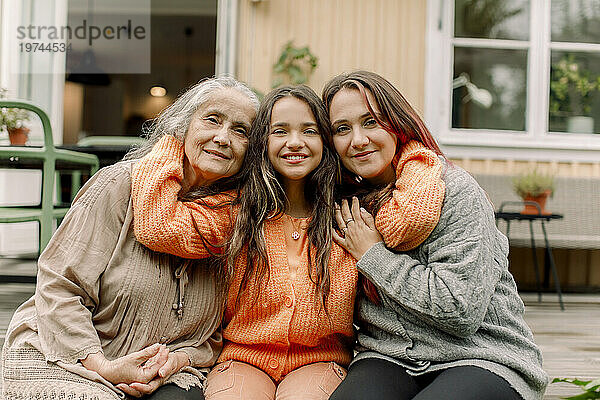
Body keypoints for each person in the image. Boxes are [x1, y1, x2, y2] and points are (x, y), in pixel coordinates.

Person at [130, 84, 445, 400]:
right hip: (242, 359)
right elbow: (158, 226)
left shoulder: (348, 214)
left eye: (309, 131)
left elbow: (410, 220)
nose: (295, 143)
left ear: (326, 142)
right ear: (262, 143)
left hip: (320, 361)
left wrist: (409, 152)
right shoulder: (238, 213)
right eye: (280, 131)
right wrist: (172, 140)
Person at [1, 76, 259, 400]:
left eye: (241, 130)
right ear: (185, 124)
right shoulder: (121, 185)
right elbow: (58, 286)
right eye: (212, 119)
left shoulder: (240, 220)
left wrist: (178, 360)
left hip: (167, 370)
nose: (223, 138)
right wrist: (103, 366)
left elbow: (215, 334)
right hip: (73, 357)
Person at [321, 70, 548, 400]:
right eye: (342, 129)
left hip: (481, 354)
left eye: (370, 122)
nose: (358, 140)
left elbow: (460, 311)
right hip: (390, 354)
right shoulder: (343, 205)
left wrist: (373, 255)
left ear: (397, 123)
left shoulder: (453, 191)